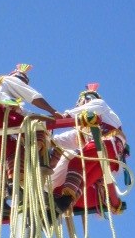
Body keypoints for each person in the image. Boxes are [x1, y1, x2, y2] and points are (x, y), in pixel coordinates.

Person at [0, 64, 63, 188]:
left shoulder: (2, 96)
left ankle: (14, 185)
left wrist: (51, 119)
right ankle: (40, 159)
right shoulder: (8, 80)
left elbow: (27, 114)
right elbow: (33, 97)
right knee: (36, 126)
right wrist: (53, 111)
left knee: (13, 149)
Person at [50, 84, 128, 215]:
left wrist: (66, 115)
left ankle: (60, 200)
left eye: (79, 103)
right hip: (106, 158)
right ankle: (63, 203)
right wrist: (46, 138)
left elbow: (90, 109)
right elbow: (61, 140)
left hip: (107, 144)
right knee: (82, 182)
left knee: (75, 162)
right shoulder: (83, 130)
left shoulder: (100, 105)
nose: (78, 105)